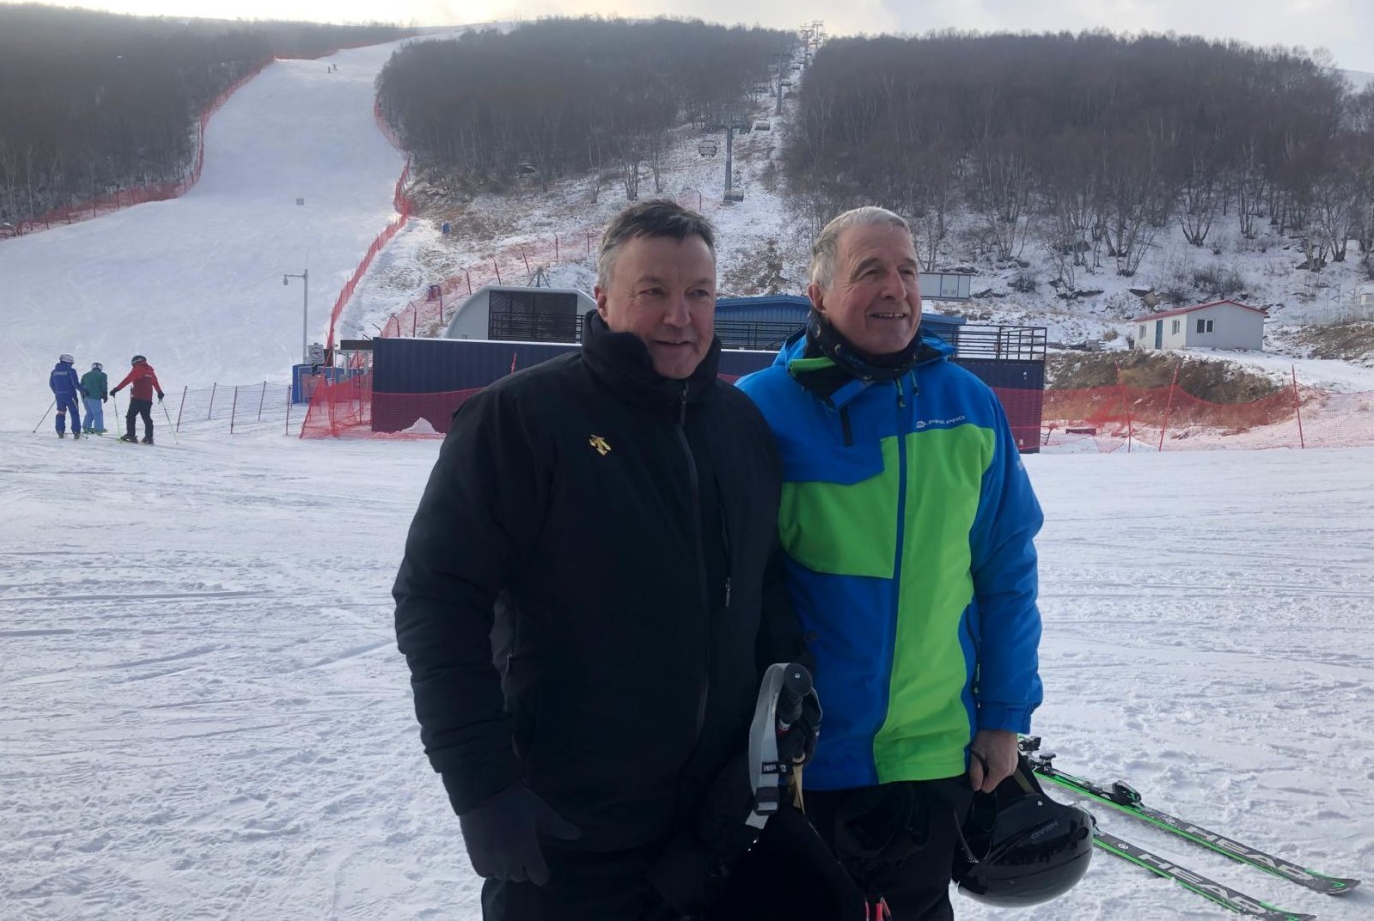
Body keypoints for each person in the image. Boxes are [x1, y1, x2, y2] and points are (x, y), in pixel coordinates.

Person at [393, 199, 807, 921]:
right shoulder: (520, 420)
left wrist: (788, 698)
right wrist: (483, 789)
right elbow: (438, 601)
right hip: (568, 836)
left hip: (712, 833)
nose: (679, 316)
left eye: (699, 293)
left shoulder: (741, 426)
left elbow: (764, 582)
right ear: (604, 299)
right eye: (653, 291)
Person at [736, 207, 1045, 920]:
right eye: (869, 271)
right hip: (800, 765)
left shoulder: (969, 405)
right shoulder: (760, 411)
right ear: (818, 295)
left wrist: (1003, 716)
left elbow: (1006, 574)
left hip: (931, 758)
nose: (895, 289)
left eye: (907, 270)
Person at [110, 354, 164, 444]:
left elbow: (127, 380)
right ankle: (149, 437)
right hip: (148, 399)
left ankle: (131, 435)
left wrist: (116, 389)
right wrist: (159, 392)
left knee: (130, 416)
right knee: (146, 417)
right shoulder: (150, 370)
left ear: (135, 362)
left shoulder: (138, 369)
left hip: (137, 398)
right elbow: (155, 382)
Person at [49, 354, 82, 439]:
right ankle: (76, 432)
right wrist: (84, 391)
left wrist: (57, 392)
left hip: (59, 396)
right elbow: (75, 384)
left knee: (61, 412)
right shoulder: (71, 371)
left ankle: (60, 431)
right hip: (70, 396)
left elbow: (51, 384)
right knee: (74, 413)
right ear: (68, 362)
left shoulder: (54, 372)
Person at [80, 361, 109, 435]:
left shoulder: (85, 375)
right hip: (94, 396)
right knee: (98, 413)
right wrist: (105, 394)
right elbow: (103, 385)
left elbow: (81, 385)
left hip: (85, 397)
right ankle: (98, 429)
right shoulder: (102, 375)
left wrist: (83, 394)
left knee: (89, 412)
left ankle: (86, 427)